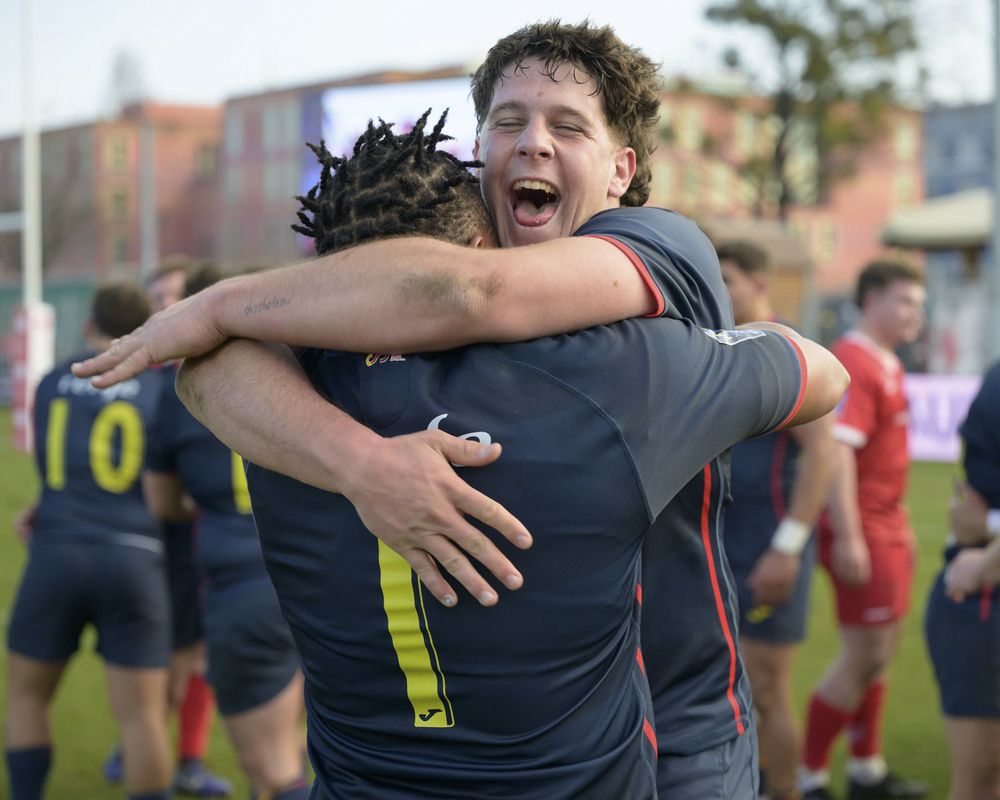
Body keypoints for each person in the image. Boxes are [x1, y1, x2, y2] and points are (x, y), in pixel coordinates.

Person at [74, 20, 835, 797]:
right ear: (477, 164)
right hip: (589, 746)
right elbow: (448, 297)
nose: (532, 141)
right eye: (508, 122)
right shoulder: (606, 378)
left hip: (672, 726)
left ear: (621, 170)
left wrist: (223, 306)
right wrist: (362, 464)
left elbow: (469, 296)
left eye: (567, 125)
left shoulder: (660, 244)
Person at [143, 268, 308, 800]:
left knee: (273, 771)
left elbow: (161, 501)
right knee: (324, 755)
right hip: (325, 580)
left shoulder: (183, 389)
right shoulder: (310, 361)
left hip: (245, 589)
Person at [5, 283, 173, 800]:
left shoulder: (54, 379)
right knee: (143, 717)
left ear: (87, 325)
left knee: (27, 697)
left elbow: (54, 465)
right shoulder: (159, 387)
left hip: (56, 547)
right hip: (136, 555)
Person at [103, 258, 232, 799]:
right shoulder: (148, 375)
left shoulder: (220, 373)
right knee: (165, 654)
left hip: (190, 539)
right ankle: (151, 746)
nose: (163, 308)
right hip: (146, 537)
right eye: (156, 298)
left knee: (192, 653)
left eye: (172, 297)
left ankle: (184, 755)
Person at [800, 261, 928, 800]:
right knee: (863, 654)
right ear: (870, 300)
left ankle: (866, 769)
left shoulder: (887, 361)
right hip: (866, 529)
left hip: (888, 525)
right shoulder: (853, 360)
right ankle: (807, 776)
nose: (915, 314)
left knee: (879, 653)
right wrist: (851, 535)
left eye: (919, 304)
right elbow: (840, 456)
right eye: (904, 301)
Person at [715, 241, 836, 800]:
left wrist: (788, 547)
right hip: (719, 543)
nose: (718, 289)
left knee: (765, 687)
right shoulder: (714, 346)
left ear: (759, 283)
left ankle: (784, 789)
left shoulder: (786, 348)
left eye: (728, 279)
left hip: (771, 546)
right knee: (718, 687)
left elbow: (824, 454)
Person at [924, 358, 1000, 800]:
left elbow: (972, 517)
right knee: (982, 783)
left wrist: (987, 539)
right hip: (982, 604)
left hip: (981, 583)